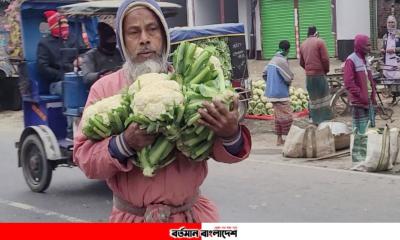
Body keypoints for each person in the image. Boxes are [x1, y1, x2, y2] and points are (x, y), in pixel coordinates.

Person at [73, 0, 252, 223]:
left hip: (190, 218)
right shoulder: (105, 88)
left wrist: (229, 134)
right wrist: (125, 143)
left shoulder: (190, 80)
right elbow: (85, 159)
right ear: (122, 41)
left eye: (152, 29)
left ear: (164, 36)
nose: (144, 39)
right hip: (132, 220)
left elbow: (216, 148)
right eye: (133, 32)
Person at [36, 10, 77, 95]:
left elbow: (82, 53)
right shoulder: (44, 43)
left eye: (66, 23)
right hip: (57, 83)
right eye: (61, 24)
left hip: (76, 77)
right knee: (70, 87)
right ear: (54, 25)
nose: (65, 26)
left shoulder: (72, 39)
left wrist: (80, 59)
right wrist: (62, 75)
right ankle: (70, 108)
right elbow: (43, 68)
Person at [343, 34, 377, 134]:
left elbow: (369, 78)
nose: (369, 48)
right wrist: (360, 95)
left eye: (370, 45)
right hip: (359, 103)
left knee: (369, 131)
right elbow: (348, 82)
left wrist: (372, 94)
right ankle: (359, 150)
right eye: (367, 45)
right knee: (360, 133)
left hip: (368, 102)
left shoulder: (365, 60)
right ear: (360, 45)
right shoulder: (351, 60)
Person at [299, 26, 332, 125]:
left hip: (309, 76)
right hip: (319, 74)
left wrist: (308, 70)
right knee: (323, 98)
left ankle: (313, 119)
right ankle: (323, 120)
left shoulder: (303, 44)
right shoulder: (320, 42)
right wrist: (325, 70)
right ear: (316, 33)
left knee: (313, 98)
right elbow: (325, 59)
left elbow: (301, 62)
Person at [263, 40, 294, 146]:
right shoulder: (281, 61)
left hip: (271, 93)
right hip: (280, 94)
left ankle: (279, 139)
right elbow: (288, 77)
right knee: (288, 117)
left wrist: (271, 83)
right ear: (287, 50)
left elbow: (264, 73)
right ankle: (290, 139)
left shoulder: (273, 59)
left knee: (278, 117)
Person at [381, 15, 400, 104]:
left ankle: (398, 96)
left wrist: (394, 50)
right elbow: (383, 46)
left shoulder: (399, 34)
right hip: (388, 60)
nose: (390, 24)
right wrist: (382, 50)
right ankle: (394, 97)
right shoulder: (385, 36)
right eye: (389, 22)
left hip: (397, 60)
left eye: (392, 22)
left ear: (395, 23)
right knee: (389, 79)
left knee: (397, 78)